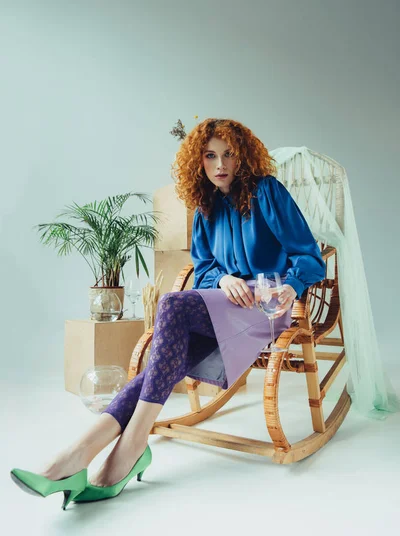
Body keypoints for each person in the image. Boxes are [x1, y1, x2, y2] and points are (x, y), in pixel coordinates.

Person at [10, 118, 326, 508]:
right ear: (199, 161)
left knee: (173, 304)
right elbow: (206, 266)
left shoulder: (268, 192)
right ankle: (82, 455)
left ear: (243, 156)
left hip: (264, 309)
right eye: (210, 156)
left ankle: (116, 448)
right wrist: (224, 278)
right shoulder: (206, 204)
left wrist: (289, 286)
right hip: (223, 305)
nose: (220, 164)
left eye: (228, 154)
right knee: (160, 360)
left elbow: (310, 257)